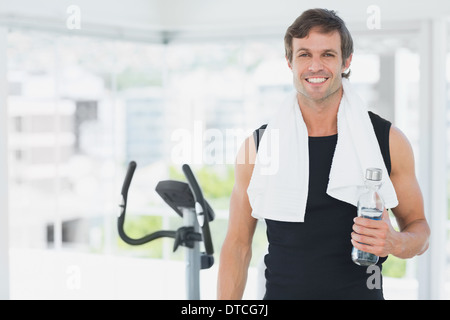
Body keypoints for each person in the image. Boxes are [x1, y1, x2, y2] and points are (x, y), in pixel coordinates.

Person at [217, 8, 430, 300]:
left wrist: (394, 243)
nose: (315, 66)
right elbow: (238, 245)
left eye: (327, 54)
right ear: (289, 62)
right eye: (304, 54)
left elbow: (420, 230)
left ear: (346, 61)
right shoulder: (258, 146)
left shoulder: (387, 141)